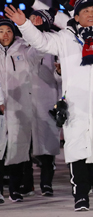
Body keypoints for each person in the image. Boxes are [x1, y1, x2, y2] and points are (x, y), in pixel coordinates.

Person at [5, 0, 93, 211]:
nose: (91, 15)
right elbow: (40, 41)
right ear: (76, 17)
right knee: (77, 150)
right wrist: (24, 24)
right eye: (85, 12)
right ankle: (80, 195)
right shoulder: (65, 39)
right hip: (77, 106)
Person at [21, 9, 61, 197]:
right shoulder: (19, 43)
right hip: (23, 101)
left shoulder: (54, 44)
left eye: (36, 19)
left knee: (47, 148)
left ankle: (46, 184)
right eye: (31, 18)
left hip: (47, 99)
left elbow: (60, 77)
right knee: (24, 146)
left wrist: (59, 73)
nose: (32, 21)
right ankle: (27, 183)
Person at [0, 19, 34, 203]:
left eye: (8, 31)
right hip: (0, 109)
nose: (5, 35)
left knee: (18, 149)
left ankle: (15, 189)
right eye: (1, 31)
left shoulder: (24, 50)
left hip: (19, 108)